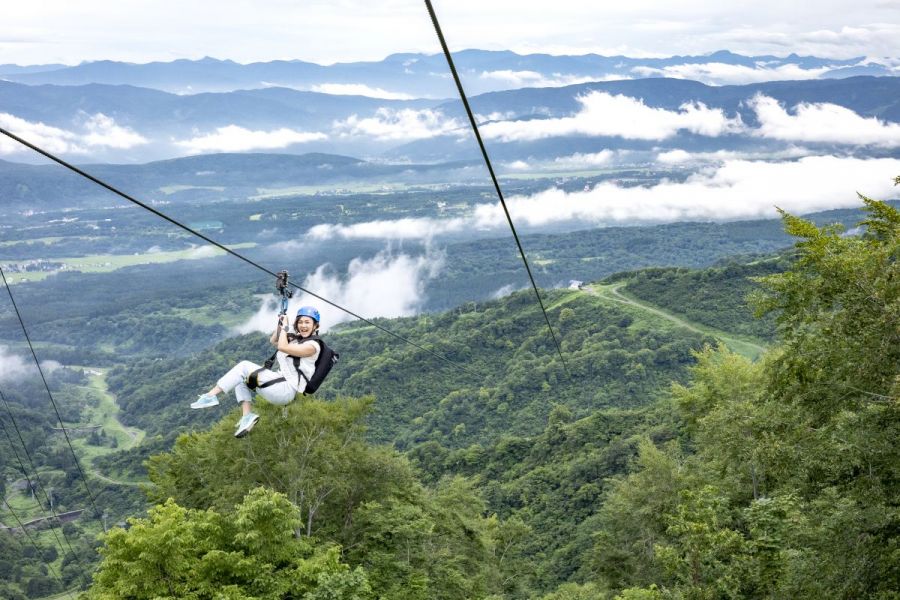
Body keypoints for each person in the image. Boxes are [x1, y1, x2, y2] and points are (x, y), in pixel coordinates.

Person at [191, 306, 322, 437]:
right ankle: (247, 417)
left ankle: (210, 396)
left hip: (285, 390)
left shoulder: (312, 346)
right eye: (300, 322)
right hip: (280, 385)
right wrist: (281, 325)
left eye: (307, 322)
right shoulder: (298, 341)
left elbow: (282, 346)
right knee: (242, 379)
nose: (303, 325)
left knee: (243, 366)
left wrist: (286, 327)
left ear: (315, 326)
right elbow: (274, 341)